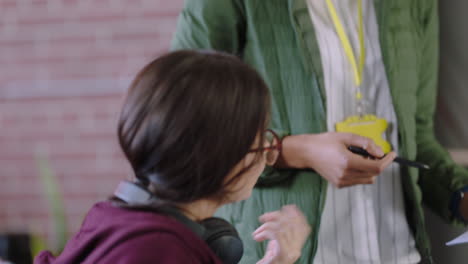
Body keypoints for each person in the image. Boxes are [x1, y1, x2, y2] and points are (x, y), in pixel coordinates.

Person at [171, 0, 468, 263]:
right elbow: (188, 130)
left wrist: (462, 197)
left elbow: (417, 139)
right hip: (282, 257)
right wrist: (298, 151)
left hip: (398, 253)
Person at [34, 50, 311, 264]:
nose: (267, 153)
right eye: (261, 138)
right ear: (220, 154)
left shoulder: (109, 219)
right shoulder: (161, 250)